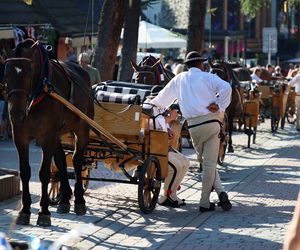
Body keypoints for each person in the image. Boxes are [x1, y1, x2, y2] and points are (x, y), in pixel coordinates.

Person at [150, 51, 232, 212]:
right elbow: (227, 87)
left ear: (187, 65)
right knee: (209, 164)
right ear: (201, 64)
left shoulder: (179, 79)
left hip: (194, 127)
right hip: (212, 122)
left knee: (206, 163)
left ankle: (221, 192)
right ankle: (205, 202)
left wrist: (148, 104)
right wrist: (219, 105)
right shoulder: (208, 77)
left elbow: (160, 100)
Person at [148, 103, 190, 207]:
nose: (178, 114)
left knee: (186, 162)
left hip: (164, 149)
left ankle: (173, 194)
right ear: (170, 111)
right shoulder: (156, 119)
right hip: (156, 150)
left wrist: (168, 129)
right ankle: (165, 196)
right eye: (176, 111)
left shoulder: (164, 121)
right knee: (176, 167)